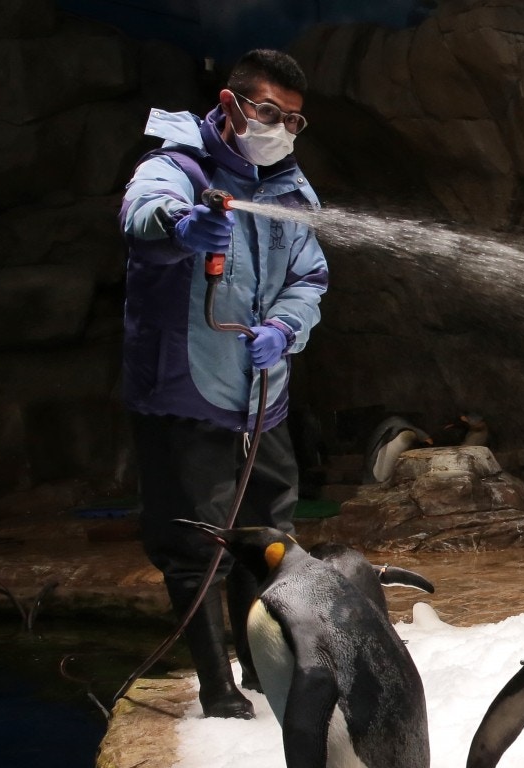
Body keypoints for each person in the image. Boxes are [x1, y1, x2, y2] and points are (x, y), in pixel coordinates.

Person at [119, 48, 328, 718]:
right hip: (187, 393)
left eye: (294, 120)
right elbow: (141, 217)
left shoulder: (291, 189)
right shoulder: (176, 167)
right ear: (232, 105)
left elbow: (310, 278)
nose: (282, 130)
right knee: (194, 545)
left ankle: (266, 669)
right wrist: (184, 226)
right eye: (270, 113)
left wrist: (287, 327)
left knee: (266, 537)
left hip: (262, 393)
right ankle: (217, 686)